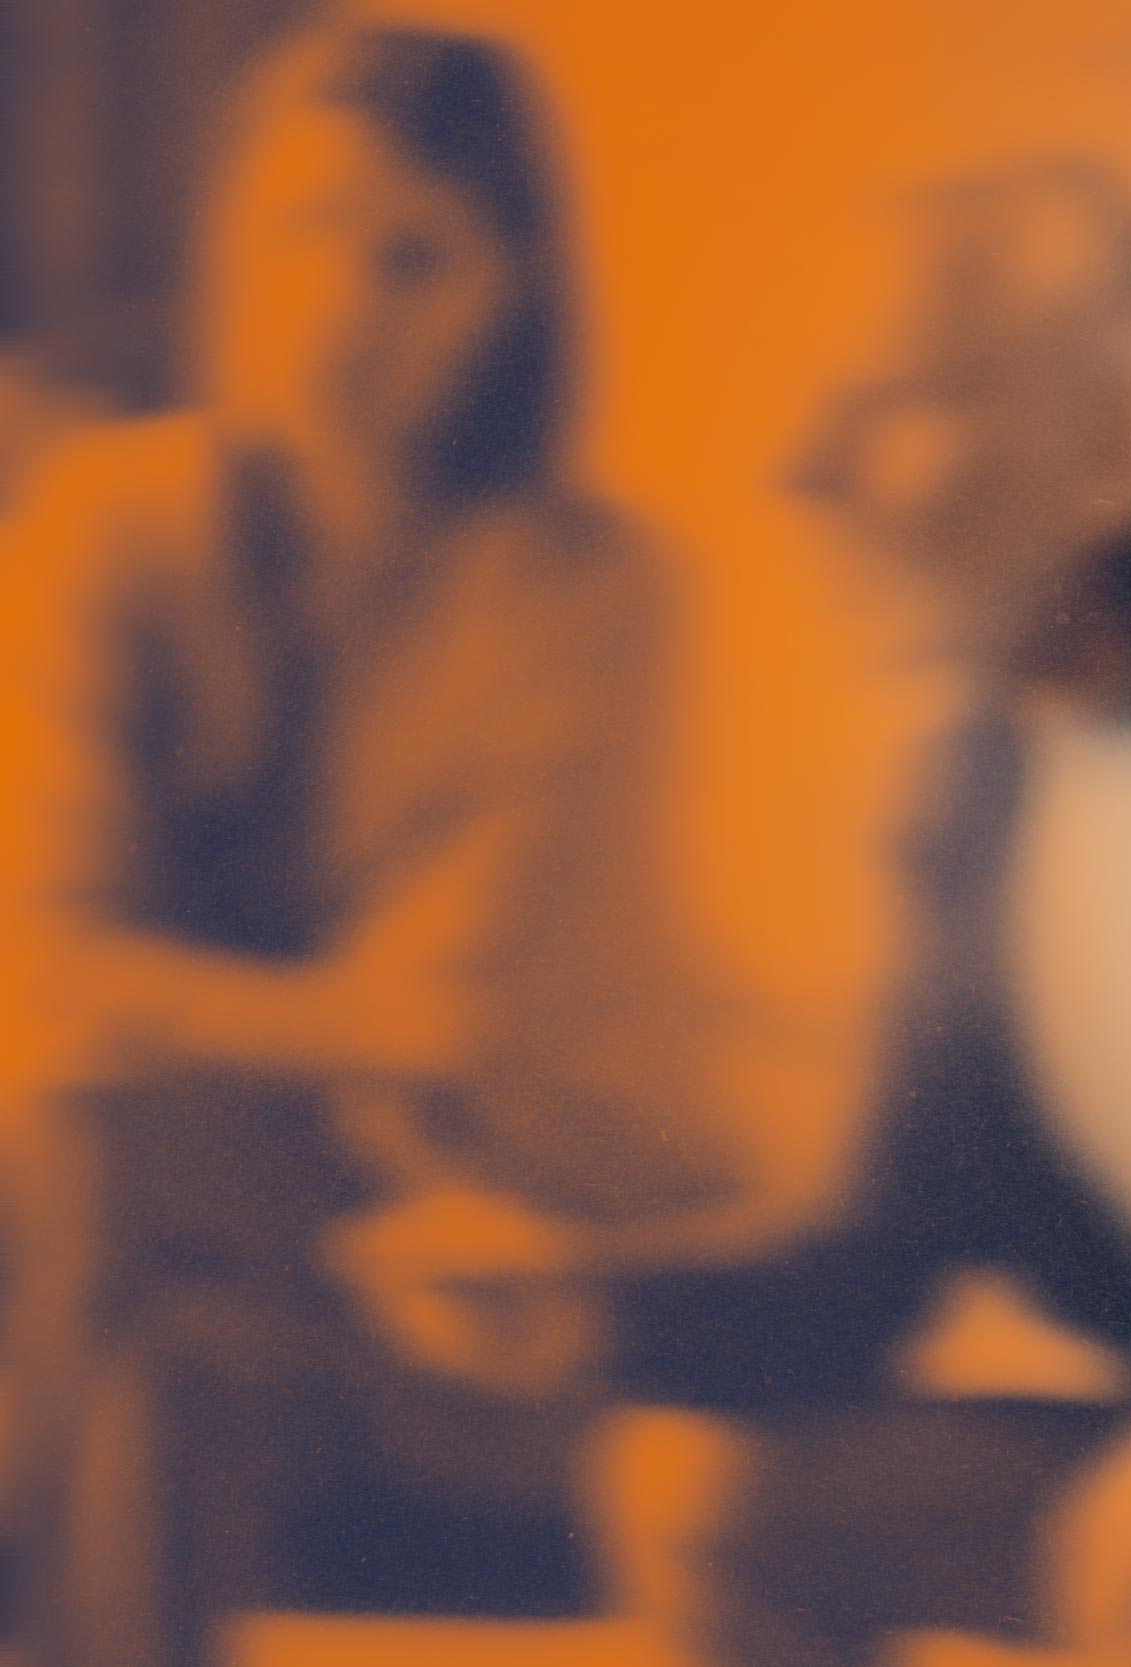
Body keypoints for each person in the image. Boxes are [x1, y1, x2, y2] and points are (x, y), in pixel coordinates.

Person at [0, 26, 788, 1666]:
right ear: (229, 247)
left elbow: (455, 1026)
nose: (341, 302)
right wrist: (294, 1022)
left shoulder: (593, 588)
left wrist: (178, 1007)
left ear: (512, 292)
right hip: (224, 1270)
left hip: (508, 1262)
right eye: (300, 231)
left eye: (410, 256)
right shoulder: (111, 521)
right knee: (139, 1309)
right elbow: (48, 955)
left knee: (101, 1160)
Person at [588, 159, 1131, 1667]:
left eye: (890, 403)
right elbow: (875, 1263)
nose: (801, 466)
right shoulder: (972, 796)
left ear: (1116, 445)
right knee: (711, 1488)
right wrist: (587, 1316)